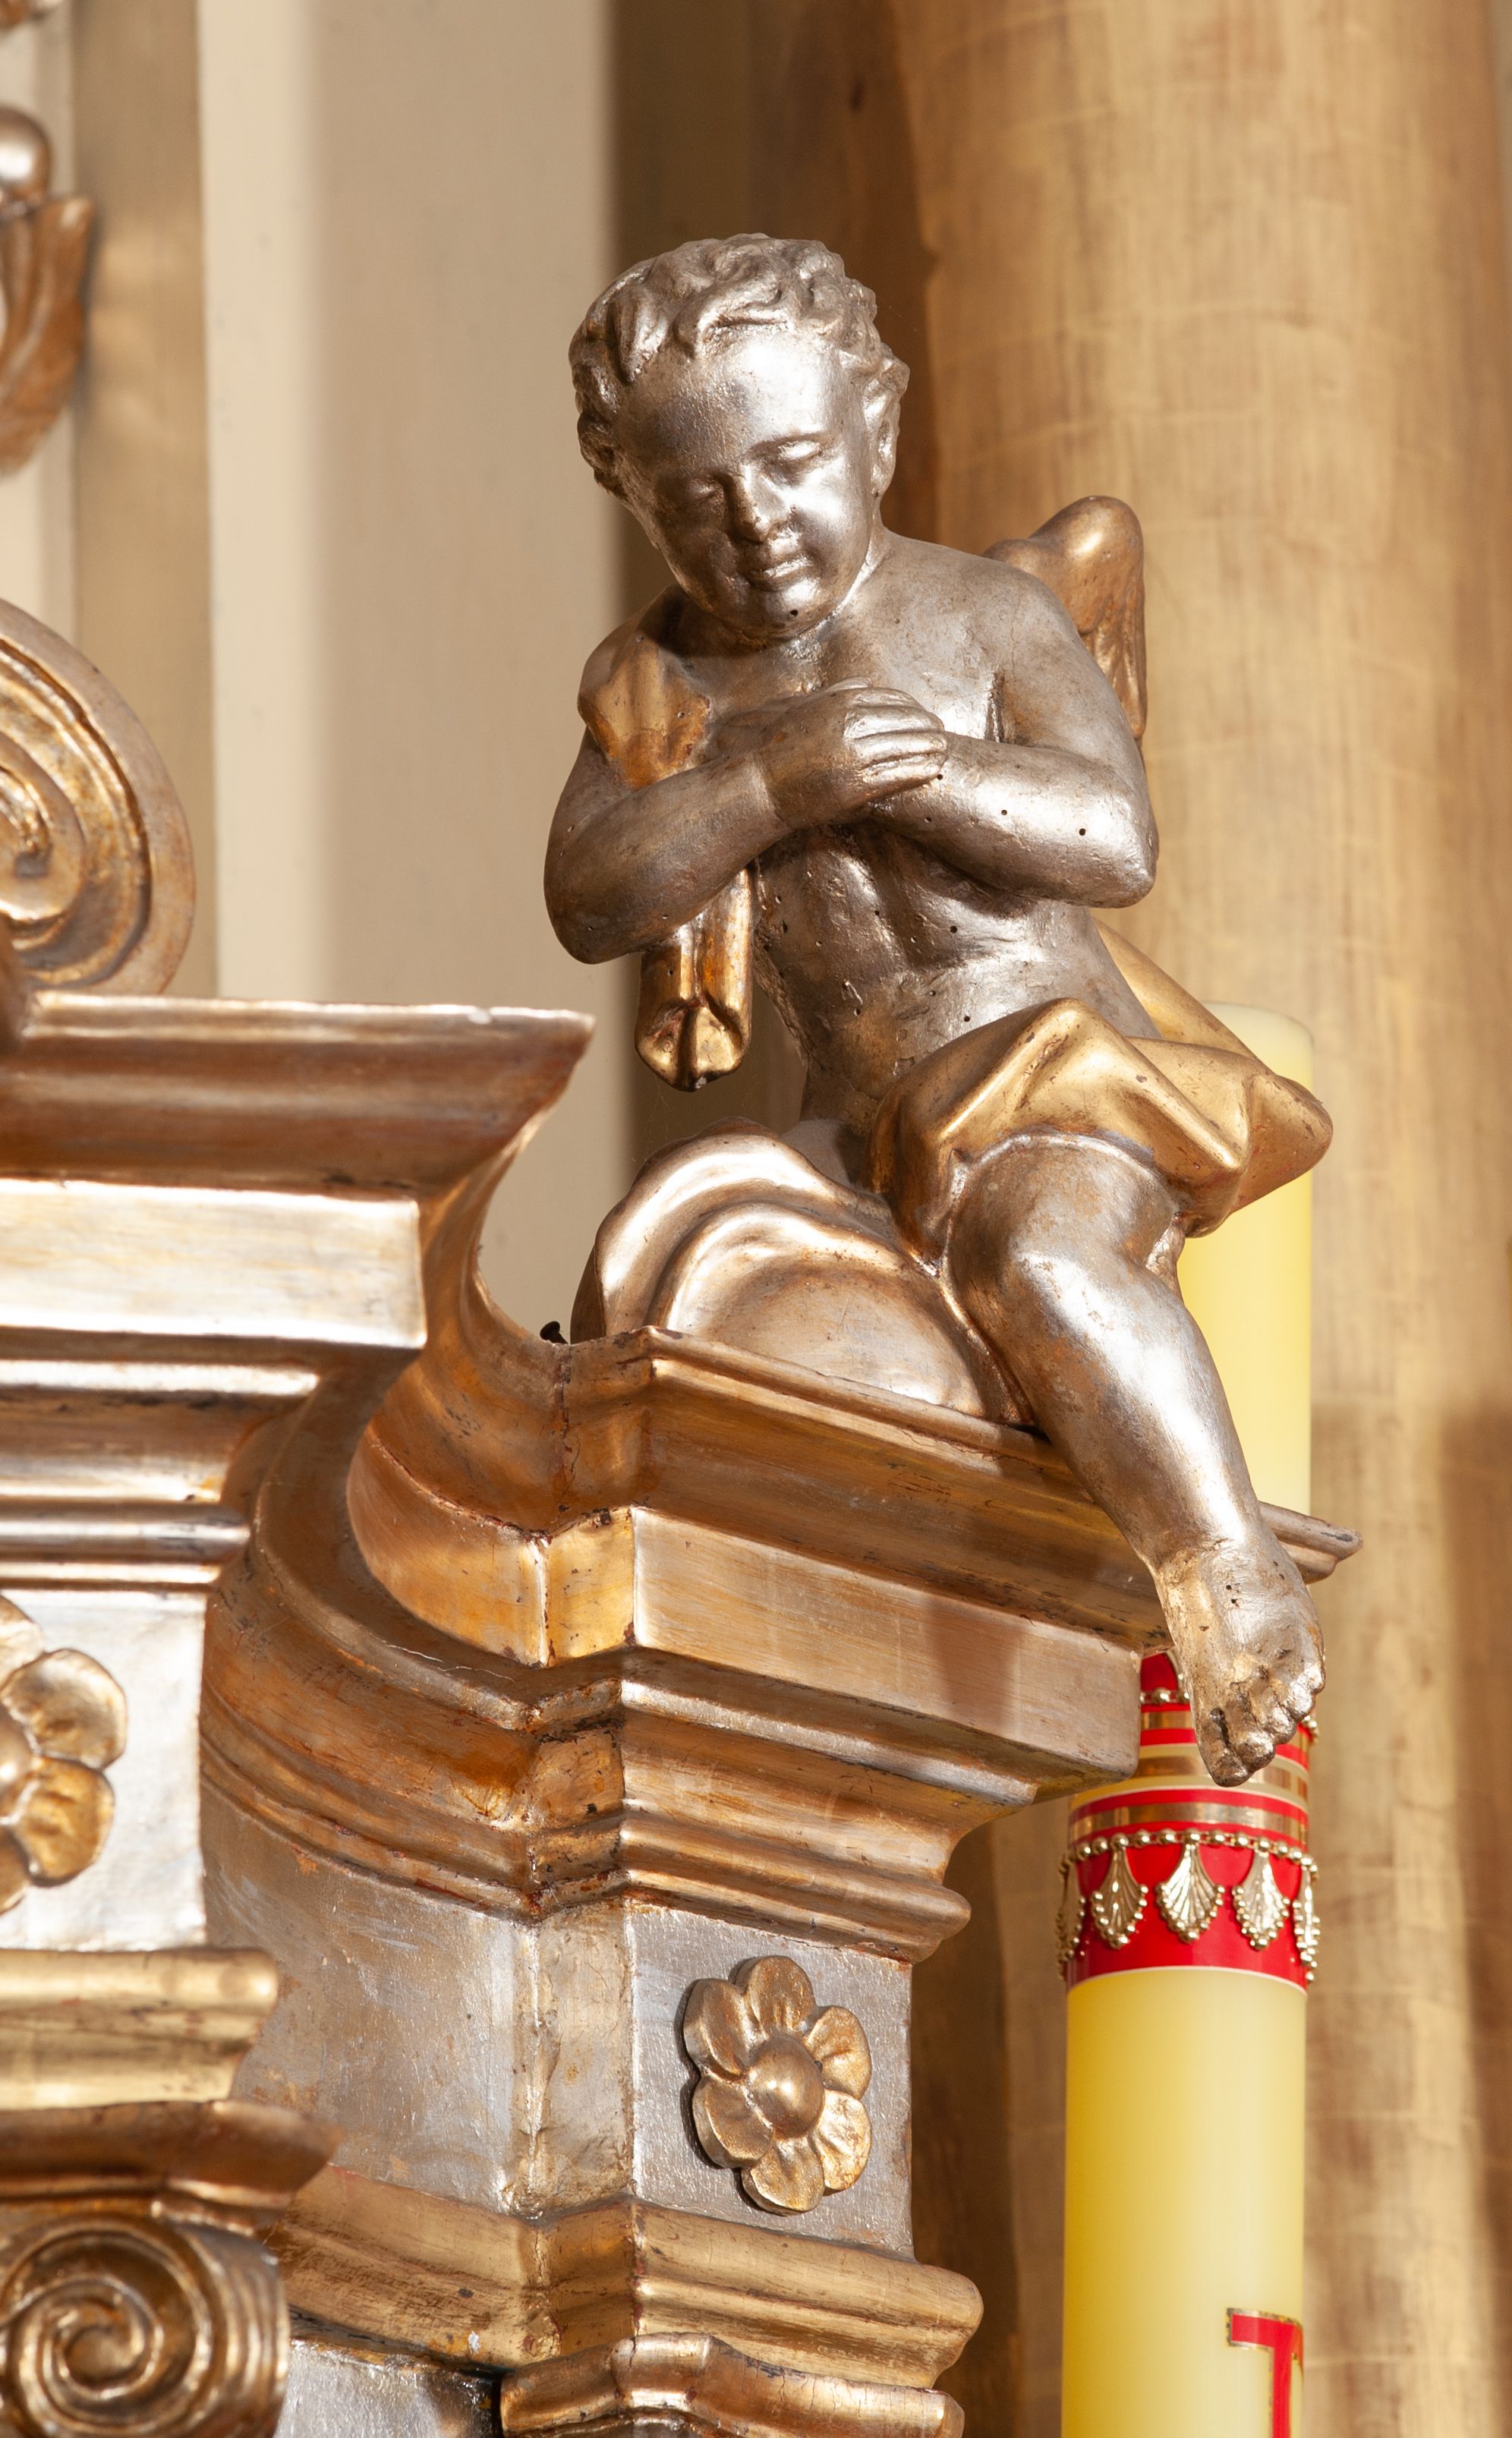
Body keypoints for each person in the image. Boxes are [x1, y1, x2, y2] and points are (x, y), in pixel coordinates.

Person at [547, 234, 1327, 1787]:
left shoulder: (980, 617)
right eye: (698, 497)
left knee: (1039, 1254)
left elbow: (1115, 836)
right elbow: (593, 893)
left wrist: (926, 770)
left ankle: (1221, 1559)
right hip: (865, 1142)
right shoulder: (660, 685)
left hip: (1052, 1083)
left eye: (792, 463)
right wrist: (770, 782)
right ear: (633, 496)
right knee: (661, 1269)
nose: (755, 523)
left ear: (878, 431)